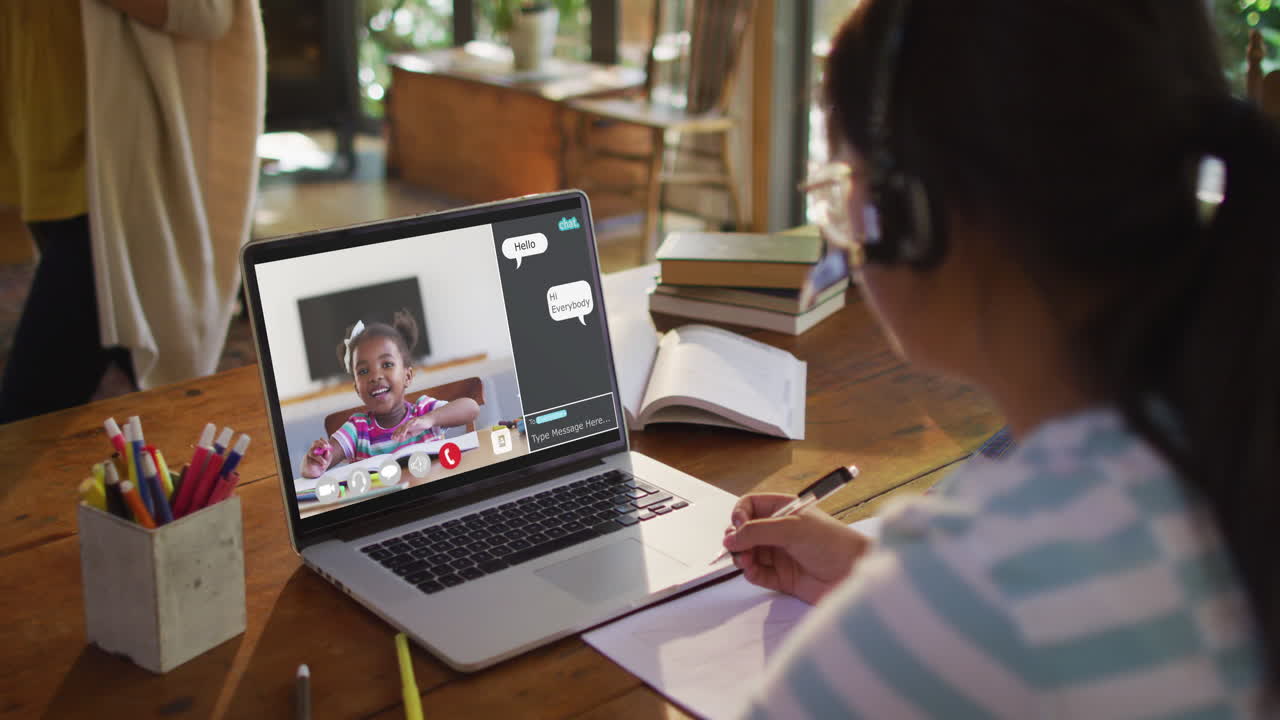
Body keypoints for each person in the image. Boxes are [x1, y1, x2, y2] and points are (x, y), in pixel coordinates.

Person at [721, 1, 1276, 716]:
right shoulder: (1226, 439)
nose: (846, 237)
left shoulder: (977, 591)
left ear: (916, 211)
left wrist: (918, 613)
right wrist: (880, 579)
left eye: (842, 187)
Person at [0, 0, 264, 423]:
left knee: (25, 413)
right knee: (144, 387)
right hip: (46, 164)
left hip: (116, 185)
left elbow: (209, 11)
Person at [301, 311, 481, 479]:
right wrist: (313, 463)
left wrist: (430, 420)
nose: (375, 376)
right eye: (364, 371)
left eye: (386, 365)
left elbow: (471, 408)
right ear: (357, 388)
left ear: (407, 376)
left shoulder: (423, 412)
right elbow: (316, 468)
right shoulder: (356, 430)